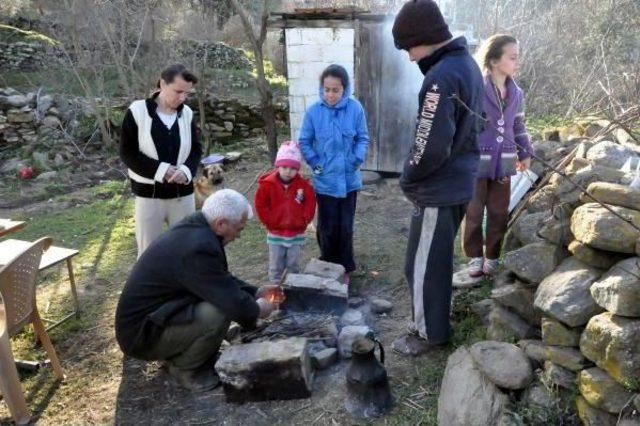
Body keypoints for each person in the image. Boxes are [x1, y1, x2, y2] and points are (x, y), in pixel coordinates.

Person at [114, 189, 283, 391]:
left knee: (219, 303)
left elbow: (217, 279)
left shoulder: (197, 227)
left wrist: (255, 292)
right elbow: (232, 303)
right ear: (221, 224)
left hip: (154, 319)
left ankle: (181, 352)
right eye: (239, 229)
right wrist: (259, 309)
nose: (238, 235)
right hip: (141, 336)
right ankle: (185, 369)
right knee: (218, 313)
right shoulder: (199, 247)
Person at [390, 0, 484, 356]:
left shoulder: (440, 77)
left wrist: (409, 178)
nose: (410, 58)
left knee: (422, 268)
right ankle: (433, 325)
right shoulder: (466, 65)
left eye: (408, 48)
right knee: (432, 262)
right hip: (458, 183)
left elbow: (429, 144)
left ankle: (428, 335)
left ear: (423, 38)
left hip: (438, 190)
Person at [462, 34, 533, 277]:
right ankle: (474, 256)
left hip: (504, 162)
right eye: (512, 57)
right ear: (493, 61)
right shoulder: (476, 89)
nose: (517, 62)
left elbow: (519, 125)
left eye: (517, 57)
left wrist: (525, 152)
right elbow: (465, 124)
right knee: (473, 210)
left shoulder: (517, 93)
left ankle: (492, 256)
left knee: (498, 212)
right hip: (477, 161)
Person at [120, 63, 202, 257]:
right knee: (149, 255)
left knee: (187, 252)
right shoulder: (137, 111)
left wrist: (186, 172)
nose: (183, 98)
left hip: (183, 196)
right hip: (149, 198)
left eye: (187, 93)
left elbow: (196, 149)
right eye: (178, 91)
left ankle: (184, 288)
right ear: (163, 84)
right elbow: (127, 152)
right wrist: (161, 170)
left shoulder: (187, 114)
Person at [298, 64, 369, 283]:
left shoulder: (355, 109)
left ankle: (345, 266)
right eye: (326, 89)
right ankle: (327, 262)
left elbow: (362, 138)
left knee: (345, 226)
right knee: (327, 227)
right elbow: (304, 141)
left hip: (348, 181)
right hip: (325, 181)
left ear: (344, 89)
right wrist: (315, 163)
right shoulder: (313, 111)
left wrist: (355, 160)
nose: (330, 94)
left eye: (335, 90)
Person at [254, 140, 316, 283]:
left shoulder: (303, 186)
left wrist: (305, 218)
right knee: (276, 264)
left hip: (296, 231)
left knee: (293, 263)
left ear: (298, 169)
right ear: (278, 166)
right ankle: (275, 289)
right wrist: (268, 220)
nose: (288, 171)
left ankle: (292, 286)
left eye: (293, 168)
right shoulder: (267, 185)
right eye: (285, 167)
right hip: (275, 231)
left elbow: (310, 203)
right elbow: (260, 205)